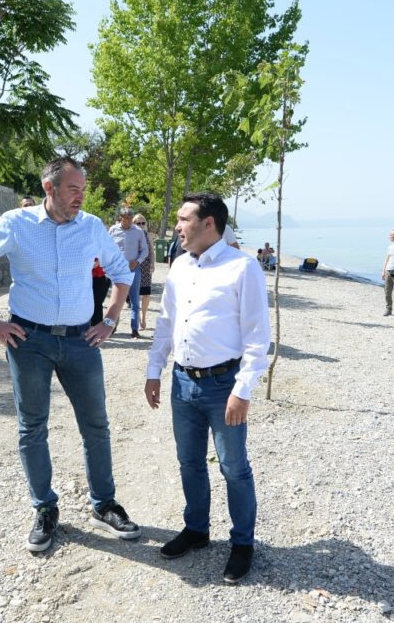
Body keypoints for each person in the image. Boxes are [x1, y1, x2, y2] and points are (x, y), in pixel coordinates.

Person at [0, 157, 142, 553]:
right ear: (48, 188)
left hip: (80, 342)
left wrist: (110, 319)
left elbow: (121, 273)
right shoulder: (15, 224)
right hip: (29, 342)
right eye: (73, 189)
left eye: (82, 190)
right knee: (32, 428)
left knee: (96, 426)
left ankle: (104, 505)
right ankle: (44, 508)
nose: (80, 197)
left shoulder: (91, 227)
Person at [144, 192, 271, 584]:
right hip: (183, 382)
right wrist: (154, 369)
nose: (177, 226)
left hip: (223, 385)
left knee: (234, 467)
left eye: (184, 219)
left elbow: (257, 337)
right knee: (189, 462)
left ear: (209, 223)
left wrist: (243, 390)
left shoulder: (243, 267)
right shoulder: (180, 265)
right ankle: (197, 530)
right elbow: (167, 321)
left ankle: (242, 543)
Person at [108, 207, 149, 338]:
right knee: (116, 300)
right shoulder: (113, 230)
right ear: (120, 218)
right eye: (125, 219)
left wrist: (137, 261)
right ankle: (113, 326)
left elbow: (145, 250)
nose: (128, 221)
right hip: (118, 270)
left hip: (133, 268)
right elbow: (107, 247)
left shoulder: (138, 232)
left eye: (130, 219)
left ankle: (134, 328)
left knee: (134, 300)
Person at [132, 213, 156, 330]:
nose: (141, 225)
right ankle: (135, 318)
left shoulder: (147, 235)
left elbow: (151, 251)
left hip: (146, 267)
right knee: (135, 293)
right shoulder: (131, 234)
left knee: (146, 293)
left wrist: (152, 264)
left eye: (143, 223)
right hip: (134, 266)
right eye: (138, 223)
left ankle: (143, 317)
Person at [91, 258, 111, 327]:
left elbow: (98, 262)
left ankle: (96, 326)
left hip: (101, 277)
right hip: (89, 277)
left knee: (97, 304)